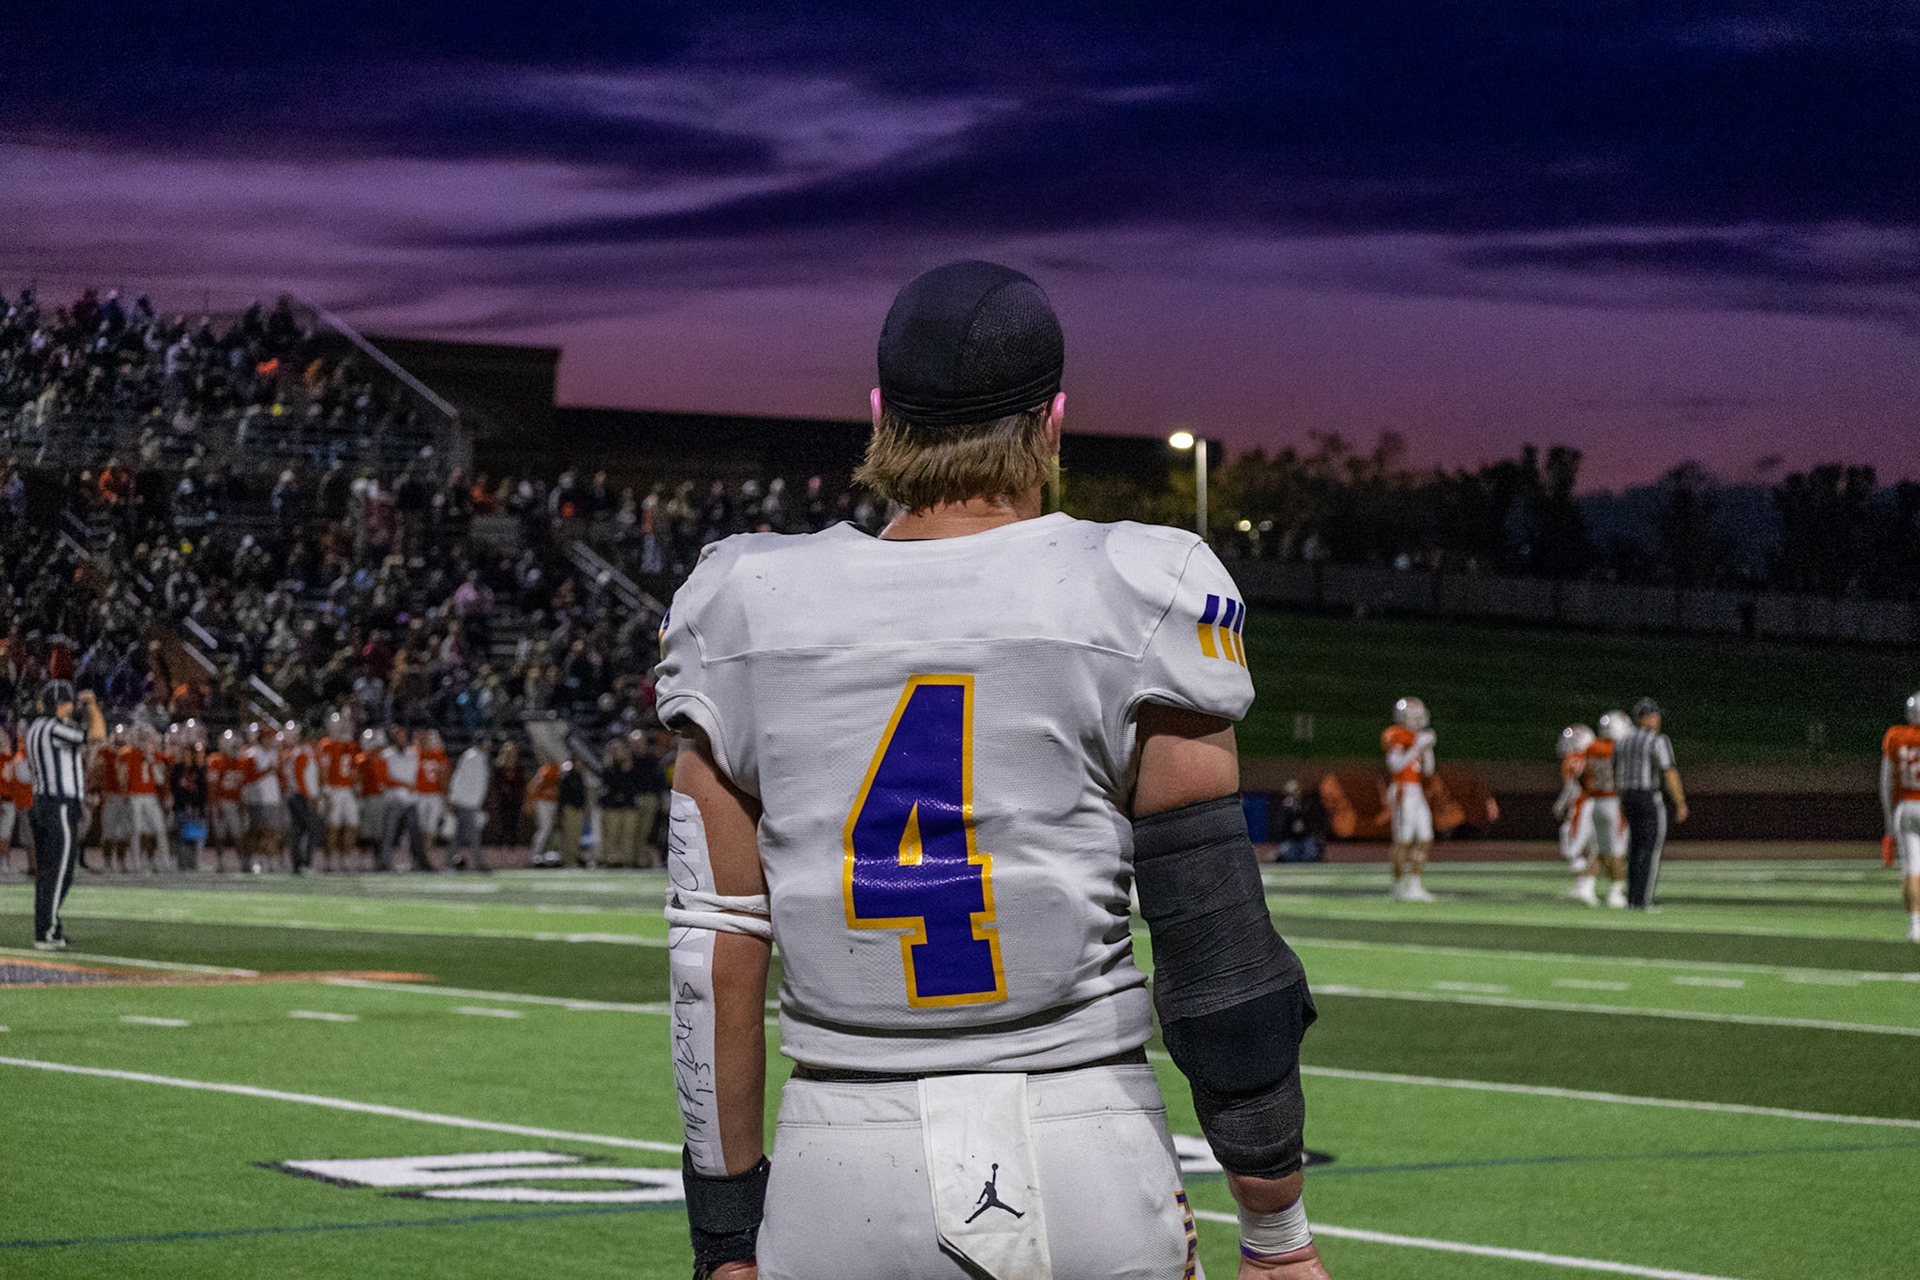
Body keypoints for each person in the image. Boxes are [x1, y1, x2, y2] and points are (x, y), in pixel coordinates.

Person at [655, 261, 1329, 1278]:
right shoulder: (1139, 584)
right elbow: (1220, 954)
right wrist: (1276, 1233)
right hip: (1078, 1137)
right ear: (1052, 423)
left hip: (838, 1156)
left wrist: (722, 1244)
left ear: (880, 414)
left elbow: (713, 958)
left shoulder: (744, 600)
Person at [27, 681, 106, 948]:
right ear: (60, 704)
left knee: (51, 871)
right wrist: (92, 706)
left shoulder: (36, 728)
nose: (70, 708)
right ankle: (46, 931)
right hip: (58, 804)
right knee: (60, 870)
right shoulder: (53, 728)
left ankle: (51, 926)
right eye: (67, 703)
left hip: (44, 803)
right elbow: (97, 735)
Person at [1616, 697, 1688, 910]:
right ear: (1649, 718)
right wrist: (1680, 802)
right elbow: (1669, 771)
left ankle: (1632, 898)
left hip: (1627, 797)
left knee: (1634, 847)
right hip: (1647, 797)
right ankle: (1642, 900)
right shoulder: (1657, 740)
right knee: (1649, 848)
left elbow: (1616, 771)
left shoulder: (1623, 741)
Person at [1382, 697, 1436, 901]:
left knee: (1425, 837)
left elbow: (1429, 770)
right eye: (1413, 714)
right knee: (1402, 841)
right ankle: (1397, 886)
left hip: (1417, 791)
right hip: (1402, 790)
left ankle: (1415, 885)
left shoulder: (1417, 737)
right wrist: (1416, 747)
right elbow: (1395, 766)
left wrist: (1426, 748)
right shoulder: (1396, 734)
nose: (1418, 718)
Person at [1878, 692, 1920, 943]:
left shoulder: (1896, 736)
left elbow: (1887, 782)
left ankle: (1916, 927)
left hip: (1906, 807)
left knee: (1912, 869)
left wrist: (1888, 826)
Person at [1586, 712, 1630, 909]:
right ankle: (1616, 891)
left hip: (1594, 802)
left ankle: (1589, 886)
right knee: (1618, 851)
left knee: (1600, 849)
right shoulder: (1619, 748)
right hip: (1613, 801)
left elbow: (1581, 773)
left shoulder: (1591, 747)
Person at [1554, 725, 1600, 905]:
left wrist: (1560, 805)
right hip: (1600, 806)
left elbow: (1572, 788)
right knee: (1594, 846)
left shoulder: (1572, 760)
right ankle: (1584, 886)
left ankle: (1585, 887)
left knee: (1570, 843)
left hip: (1583, 806)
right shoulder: (1597, 758)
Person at [123, 723, 172, 873]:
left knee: (160, 829)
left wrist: (151, 760)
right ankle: (136, 864)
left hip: (150, 796)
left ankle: (166, 863)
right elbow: (124, 777)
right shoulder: (128, 755)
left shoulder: (155, 756)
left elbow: (160, 780)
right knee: (136, 830)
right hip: (135, 796)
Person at [317, 713, 360, 872]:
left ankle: (346, 858)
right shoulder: (327, 745)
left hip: (348, 790)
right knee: (333, 827)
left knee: (352, 825)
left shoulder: (351, 746)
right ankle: (329, 861)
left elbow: (354, 769)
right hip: (333, 790)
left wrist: (356, 785)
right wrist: (325, 787)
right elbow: (323, 768)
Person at [281, 722, 320, 875]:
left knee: (298, 830)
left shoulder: (296, 752)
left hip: (296, 794)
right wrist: (308, 795)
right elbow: (299, 776)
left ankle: (298, 865)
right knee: (310, 829)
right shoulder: (301, 752)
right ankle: (304, 863)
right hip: (300, 795)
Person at [448, 734, 492, 871]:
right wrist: (453, 798)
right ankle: (478, 864)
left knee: (460, 835)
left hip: (471, 802)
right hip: (466, 802)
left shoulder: (479, 758)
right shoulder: (471, 757)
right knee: (473, 835)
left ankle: (450, 862)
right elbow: (458, 778)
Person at [598, 735, 642, 867]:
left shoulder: (632, 766)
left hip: (628, 805)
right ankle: (611, 859)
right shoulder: (607, 768)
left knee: (628, 834)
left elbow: (636, 785)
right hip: (612, 806)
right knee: (612, 834)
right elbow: (609, 785)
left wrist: (628, 770)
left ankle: (626, 859)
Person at [414, 730, 451, 860]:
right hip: (421, 795)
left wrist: (446, 798)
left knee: (430, 829)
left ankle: (425, 857)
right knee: (420, 828)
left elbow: (444, 780)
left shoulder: (440, 756)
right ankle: (419, 857)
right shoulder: (418, 754)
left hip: (434, 796)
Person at [1271, 778, 1326, 864]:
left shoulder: (1307, 804)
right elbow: (1280, 827)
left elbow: (1313, 823)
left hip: (1305, 838)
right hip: (1291, 840)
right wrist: (1287, 810)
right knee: (1287, 855)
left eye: (1295, 791)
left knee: (1310, 854)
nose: (1293, 795)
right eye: (1290, 793)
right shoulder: (1284, 807)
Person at [525, 753, 561, 866]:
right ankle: (535, 854)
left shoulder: (559, 769)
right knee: (545, 828)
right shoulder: (544, 770)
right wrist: (532, 802)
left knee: (552, 829)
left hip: (554, 802)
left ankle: (548, 854)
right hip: (544, 802)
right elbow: (532, 787)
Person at [556, 752, 590, 868]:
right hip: (569, 809)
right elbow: (563, 795)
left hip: (578, 810)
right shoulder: (567, 776)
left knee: (576, 837)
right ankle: (568, 860)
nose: (579, 764)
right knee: (568, 836)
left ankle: (574, 859)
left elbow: (582, 796)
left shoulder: (580, 776)